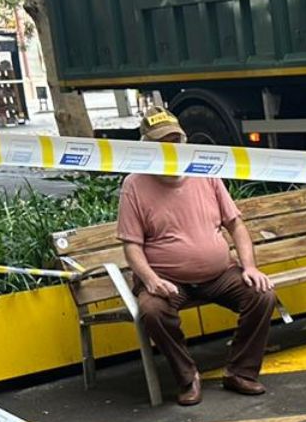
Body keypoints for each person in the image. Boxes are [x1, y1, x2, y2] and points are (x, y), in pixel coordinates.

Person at [118, 110, 276, 406]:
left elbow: (236, 224)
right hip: (166, 278)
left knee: (262, 294)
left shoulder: (205, 172)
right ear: (146, 147)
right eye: (161, 143)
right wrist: (151, 280)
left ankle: (240, 372)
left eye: (175, 141)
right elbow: (132, 246)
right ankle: (188, 377)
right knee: (152, 311)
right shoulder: (134, 185)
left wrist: (249, 266)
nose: (170, 149)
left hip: (218, 274)